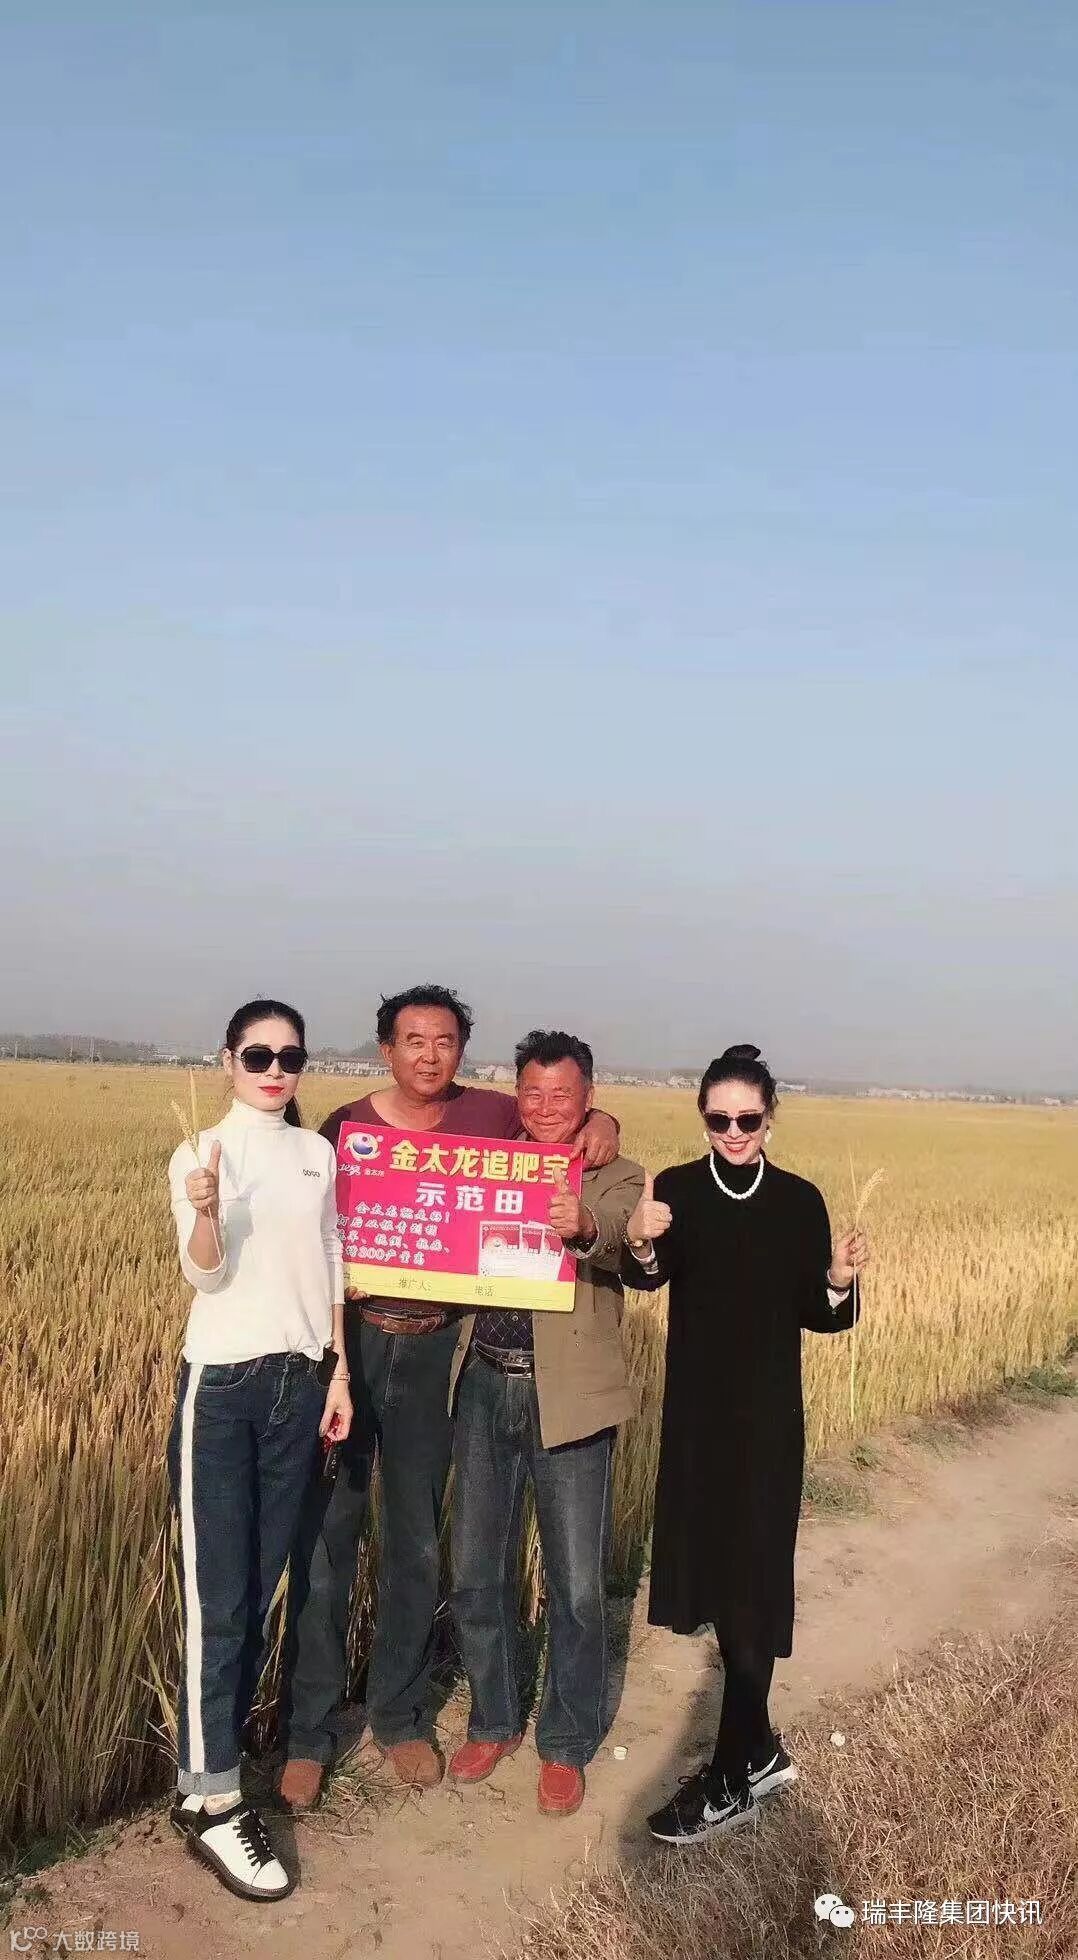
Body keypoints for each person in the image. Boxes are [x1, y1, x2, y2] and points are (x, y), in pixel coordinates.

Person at [278, 986, 619, 1805]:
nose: (428, 1055)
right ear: (385, 1049)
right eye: (413, 1040)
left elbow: (560, 1120)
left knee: (417, 1544)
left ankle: (398, 1718)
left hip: (440, 1354)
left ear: (462, 1050)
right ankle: (308, 1734)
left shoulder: (491, 1116)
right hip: (353, 1350)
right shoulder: (344, 1130)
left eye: (444, 1041)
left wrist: (606, 1124)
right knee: (328, 1541)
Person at [622, 1043, 868, 1847]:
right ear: (704, 1118)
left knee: (753, 1588)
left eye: (748, 1119)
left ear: (770, 1119)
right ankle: (759, 1752)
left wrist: (837, 1280)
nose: (733, 1132)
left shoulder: (799, 1201)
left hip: (767, 1424)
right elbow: (650, 1277)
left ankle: (730, 1779)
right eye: (719, 1119)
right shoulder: (679, 1190)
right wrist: (642, 1240)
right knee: (722, 1585)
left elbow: (822, 1316)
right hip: (698, 1422)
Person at [165, 999, 352, 1901]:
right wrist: (206, 1211)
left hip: (301, 1385)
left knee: (263, 1586)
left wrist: (339, 1371)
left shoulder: (316, 1153)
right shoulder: (202, 1152)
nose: (276, 1069)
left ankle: (212, 1778)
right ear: (228, 1059)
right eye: (258, 1055)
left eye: (290, 1056)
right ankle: (213, 1799)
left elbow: (332, 1255)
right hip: (224, 1390)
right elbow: (203, 1273)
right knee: (219, 1598)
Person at [446, 1031, 645, 1817]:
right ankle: (494, 1719)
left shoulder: (618, 1173)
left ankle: (564, 1742)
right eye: (533, 1092)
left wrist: (583, 1224)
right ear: (515, 1094)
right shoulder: (493, 1158)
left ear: (590, 1098)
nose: (547, 1107)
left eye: (565, 1095)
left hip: (571, 1400)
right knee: (475, 1569)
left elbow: (622, 1240)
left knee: (579, 1585)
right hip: (482, 1385)